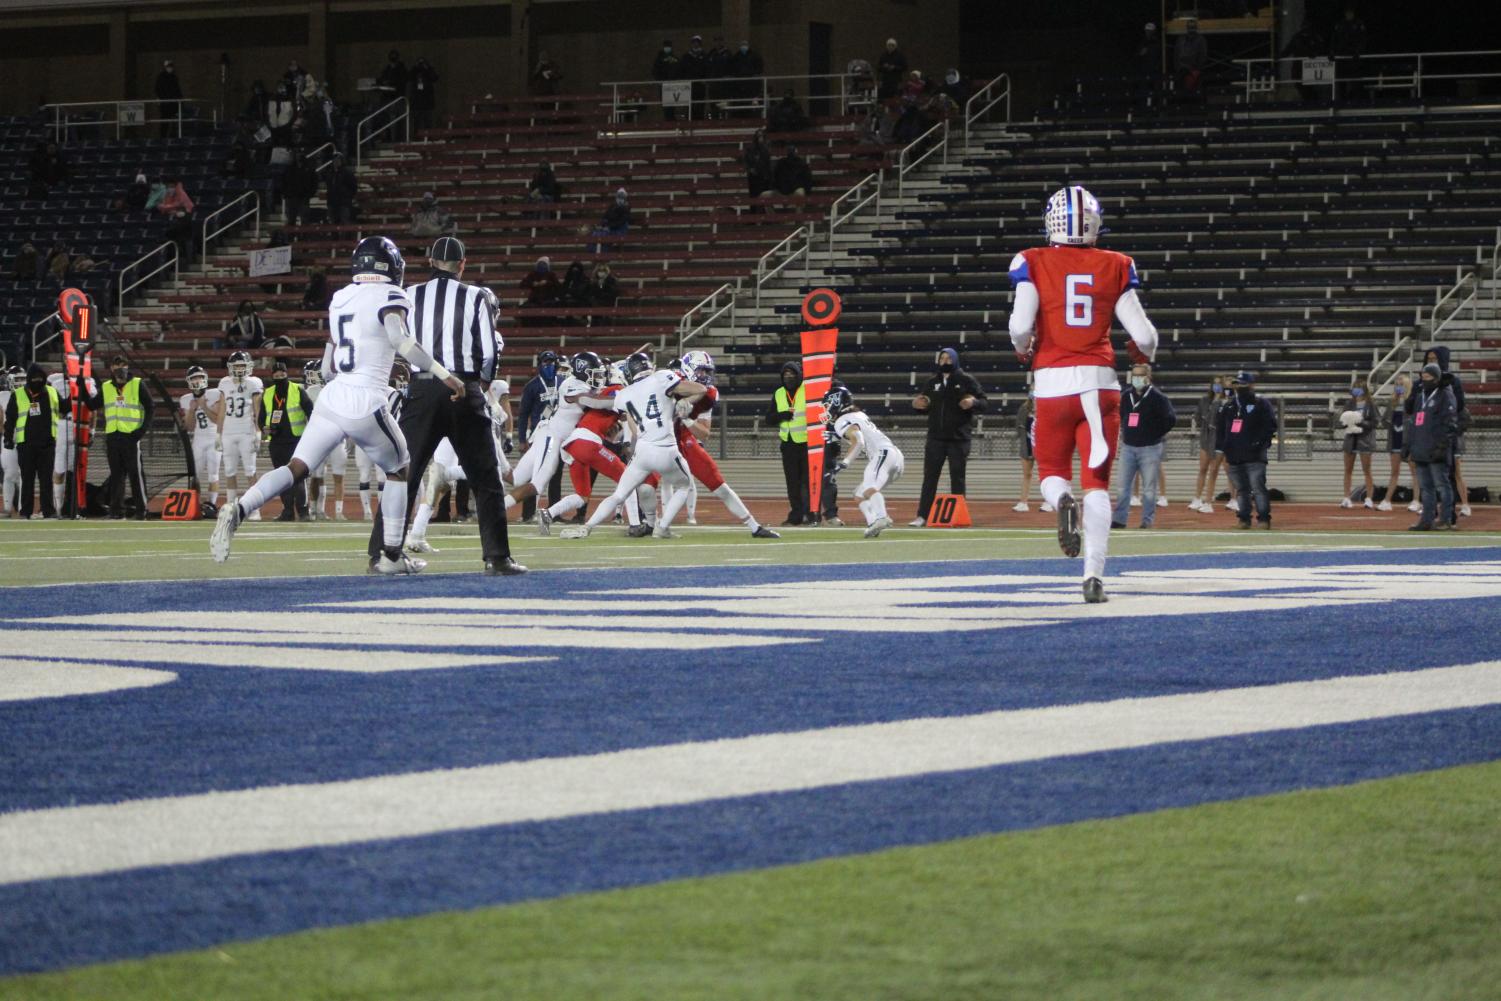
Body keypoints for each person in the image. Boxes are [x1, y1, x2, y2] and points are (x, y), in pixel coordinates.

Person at [214, 236, 466, 574]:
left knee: (296, 468)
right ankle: (391, 556)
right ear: (390, 266)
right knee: (400, 469)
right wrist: (443, 374)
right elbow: (400, 339)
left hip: (334, 397)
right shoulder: (391, 294)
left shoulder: (341, 297)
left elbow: (328, 366)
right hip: (365, 399)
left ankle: (241, 508)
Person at [1008, 185, 1159, 602]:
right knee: (1097, 482)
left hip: (1052, 385)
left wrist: (1024, 350)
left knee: (1051, 474)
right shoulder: (1116, 263)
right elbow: (1145, 335)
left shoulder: (1032, 260)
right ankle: (1094, 577)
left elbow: (1020, 327)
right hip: (1101, 384)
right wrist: (1141, 354)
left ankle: (1060, 502)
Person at [361, 236, 524, 575]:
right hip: (465, 387)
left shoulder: (410, 294)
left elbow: (398, 341)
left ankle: (382, 552)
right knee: (486, 478)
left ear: (430, 262)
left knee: (403, 473)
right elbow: (489, 350)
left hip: (421, 389)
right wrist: (478, 383)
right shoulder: (476, 296)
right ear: (462, 264)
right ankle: (497, 557)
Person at [560, 352, 706, 539]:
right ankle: (662, 528)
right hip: (666, 448)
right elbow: (700, 389)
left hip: (643, 452)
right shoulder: (661, 377)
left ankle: (587, 527)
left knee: (619, 495)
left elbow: (625, 423)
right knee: (685, 486)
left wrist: (578, 398)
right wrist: (685, 401)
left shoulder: (626, 394)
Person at [667, 349, 780, 538]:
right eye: (701, 371)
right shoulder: (669, 382)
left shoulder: (708, 394)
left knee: (717, 482)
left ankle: (754, 526)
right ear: (688, 369)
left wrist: (686, 419)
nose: (705, 376)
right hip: (656, 439)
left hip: (682, 438)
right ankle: (647, 523)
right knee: (643, 482)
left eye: (707, 372)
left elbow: (704, 434)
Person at [539, 353, 655, 536]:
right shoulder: (618, 391)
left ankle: (548, 513)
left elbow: (613, 424)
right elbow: (615, 409)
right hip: (586, 442)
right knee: (628, 478)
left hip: (573, 444)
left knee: (582, 496)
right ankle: (634, 524)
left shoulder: (605, 393)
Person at [505, 346, 596, 523]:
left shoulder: (564, 381)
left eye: (552, 363)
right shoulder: (566, 385)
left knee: (518, 479)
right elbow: (524, 414)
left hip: (550, 433)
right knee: (537, 483)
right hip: (549, 434)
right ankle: (514, 512)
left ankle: (487, 468)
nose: (550, 366)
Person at [910, 347, 987, 528]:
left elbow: (984, 402)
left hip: (959, 438)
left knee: (957, 478)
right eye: (942, 358)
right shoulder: (931, 382)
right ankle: (922, 516)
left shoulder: (966, 380)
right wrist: (917, 406)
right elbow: (925, 404)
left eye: (948, 358)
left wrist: (972, 402)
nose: (944, 362)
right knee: (930, 478)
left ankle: (957, 516)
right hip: (935, 437)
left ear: (955, 360)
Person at [824, 386, 902, 538]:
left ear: (836, 402)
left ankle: (881, 517)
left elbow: (858, 441)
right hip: (893, 457)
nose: (826, 409)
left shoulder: (841, 420)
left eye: (827, 404)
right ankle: (873, 524)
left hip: (883, 454)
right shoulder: (857, 414)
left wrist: (843, 464)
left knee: (869, 489)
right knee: (860, 494)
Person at [1112, 362, 1176, 529]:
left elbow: (1170, 419)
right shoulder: (1126, 396)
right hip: (1128, 447)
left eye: (1140, 375)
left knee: (1149, 489)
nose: (1137, 378)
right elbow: (1121, 416)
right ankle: (1119, 520)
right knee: (1122, 487)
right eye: (1135, 375)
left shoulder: (1158, 398)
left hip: (1150, 448)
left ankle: (1147, 521)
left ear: (1148, 377)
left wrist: (1155, 433)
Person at [90, 356, 154, 520]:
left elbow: (150, 406)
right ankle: (116, 510)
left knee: (135, 475)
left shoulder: (137, 384)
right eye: (117, 365)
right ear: (111, 368)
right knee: (116, 475)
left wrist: (140, 431)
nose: (121, 368)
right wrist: (82, 386)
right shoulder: (106, 387)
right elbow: (92, 405)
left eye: (124, 365)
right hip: (112, 436)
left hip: (131, 437)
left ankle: (141, 510)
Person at [1217, 370, 1277, 530]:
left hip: (1255, 456)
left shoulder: (1261, 404)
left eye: (1243, 384)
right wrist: (1224, 448)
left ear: (1251, 385)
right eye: (1237, 383)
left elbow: (1270, 426)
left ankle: (1264, 519)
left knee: (1258, 488)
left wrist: (1259, 444)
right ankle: (1243, 519)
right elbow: (1221, 430)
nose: (1240, 387)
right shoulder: (1229, 406)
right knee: (1241, 490)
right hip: (1234, 455)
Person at [1405, 362, 1458, 531]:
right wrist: (1409, 445)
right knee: (1425, 487)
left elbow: (1450, 423)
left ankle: (1446, 518)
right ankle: (1426, 519)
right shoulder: (1420, 396)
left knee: (1442, 485)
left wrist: (1442, 446)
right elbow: (1414, 422)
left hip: (1436, 448)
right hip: (1421, 447)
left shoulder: (1445, 395)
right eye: (1422, 377)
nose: (1424, 380)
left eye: (1428, 377)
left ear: (1436, 378)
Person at [259, 359, 313, 520]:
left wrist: (311, 434)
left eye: (282, 373)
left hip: (296, 440)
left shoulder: (297, 390)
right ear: (272, 375)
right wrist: (264, 428)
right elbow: (261, 418)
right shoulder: (268, 393)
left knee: (299, 476)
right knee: (282, 478)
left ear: (286, 373)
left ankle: (303, 511)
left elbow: (311, 412)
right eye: (276, 374)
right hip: (276, 442)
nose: (279, 375)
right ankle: (287, 511)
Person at [3, 364, 59, 519]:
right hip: (26, 444)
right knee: (27, 480)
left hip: (47, 443)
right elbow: (10, 418)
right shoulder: (18, 394)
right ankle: (26, 511)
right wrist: (8, 438)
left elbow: (65, 407)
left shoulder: (52, 392)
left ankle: (48, 510)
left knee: (46, 479)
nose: (37, 382)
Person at [217, 350, 264, 520]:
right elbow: (222, 408)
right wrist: (218, 433)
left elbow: (258, 410)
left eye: (242, 366)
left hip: (246, 431)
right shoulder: (225, 383)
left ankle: (255, 508)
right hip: (228, 432)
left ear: (249, 367)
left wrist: (258, 431)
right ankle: (231, 507)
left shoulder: (254, 383)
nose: (239, 369)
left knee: (250, 471)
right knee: (229, 471)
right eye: (236, 366)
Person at [178, 365, 224, 508]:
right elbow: (189, 426)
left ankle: (211, 504)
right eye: (194, 378)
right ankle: (194, 504)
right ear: (189, 380)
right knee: (195, 475)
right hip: (198, 438)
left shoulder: (215, 394)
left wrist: (203, 406)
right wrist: (191, 411)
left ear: (205, 379)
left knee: (213, 474)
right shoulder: (186, 399)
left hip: (215, 437)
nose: (197, 380)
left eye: (200, 377)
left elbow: (217, 419)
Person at [769, 360, 808, 525]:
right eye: (785, 375)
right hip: (788, 445)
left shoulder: (808, 389)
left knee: (807, 482)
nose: (789, 377)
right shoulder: (778, 393)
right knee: (792, 483)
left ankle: (810, 514)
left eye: (792, 374)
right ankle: (796, 516)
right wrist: (782, 415)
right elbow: (768, 418)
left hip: (807, 443)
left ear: (799, 375)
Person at [1337, 381, 1377, 509]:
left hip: (1365, 440)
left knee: (1367, 470)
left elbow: (1374, 423)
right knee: (1348, 470)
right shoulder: (1349, 404)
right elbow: (1341, 422)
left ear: (1364, 390)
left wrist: (1361, 422)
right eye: (1354, 388)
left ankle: (1369, 498)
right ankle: (1346, 497)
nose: (1356, 391)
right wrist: (1347, 420)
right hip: (1350, 440)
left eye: (1359, 388)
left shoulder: (1370, 405)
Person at [1381, 375, 1416, 513]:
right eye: (1396, 383)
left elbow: (1417, 419)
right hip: (1395, 440)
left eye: (1401, 383)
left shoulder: (1412, 400)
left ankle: (1416, 500)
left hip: (1410, 441)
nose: (1399, 386)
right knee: (1394, 472)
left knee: (1415, 472)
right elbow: (1384, 420)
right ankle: (1387, 500)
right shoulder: (1392, 401)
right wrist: (1391, 425)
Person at [1189, 376, 1224, 512]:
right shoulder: (1204, 400)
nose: (1216, 387)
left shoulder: (1224, 401)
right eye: (1214, 384)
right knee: (1203, 468)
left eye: (1219, 384)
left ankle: (1208, 501)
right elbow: (1198, 417)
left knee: (1213, 470)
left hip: (1218, 438)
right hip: (1206, 437)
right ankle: (1197, 498)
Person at [1013, 391, 1049, 513]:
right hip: (1027, 445)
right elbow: (1019, 426)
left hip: (1043, 446)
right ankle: (1023, 502)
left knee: (1045, 475)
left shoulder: (1047, 407)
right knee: (1027, 474)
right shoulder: (1024, 409)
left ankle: (1048, 501)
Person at [0, 366, 23, 517]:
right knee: (9, 474)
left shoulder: (30, 394)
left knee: (24, 476)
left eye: (23, 379)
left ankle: (23, 509)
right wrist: (7, 434)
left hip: (27, 438)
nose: (21, 382)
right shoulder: (2, 395)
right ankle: (8, 508)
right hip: (8, 438)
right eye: (18, 379)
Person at [519, 257, 562, 325]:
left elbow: (558, 286)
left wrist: (547, 283)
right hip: (535, 300)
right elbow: (522, 284)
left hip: (548, 299)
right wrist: (533, 284)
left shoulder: (551, 275)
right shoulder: (532, 274)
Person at [281, 153, 319, 227]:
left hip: (304, 197)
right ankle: (290, 237)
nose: (298, 157)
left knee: (304, 220)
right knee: (291, 220)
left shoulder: (309, 168)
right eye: (297, 155)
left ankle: (304, 237)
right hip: (291, 197)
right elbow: (283, 182)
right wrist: (285, 194)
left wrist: (310, 194)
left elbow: (314, 182)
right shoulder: (289, 168)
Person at [1176, 19, 1209, 98]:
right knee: (1182, 92)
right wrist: (1178, 68)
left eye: (1193, 26)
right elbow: (1176, 54)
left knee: (1196, 91)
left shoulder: (1201, 39)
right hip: (1182, 69)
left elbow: (1203, 55)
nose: (1191, 28)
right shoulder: (1181, 39)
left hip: (1195, 70)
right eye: (1190, 26)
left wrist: (1197, 69)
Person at [592, 188, 631, 253]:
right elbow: (605, 216)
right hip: (610, 228)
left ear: (625, 199)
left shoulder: (626, 209)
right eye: (619, 197)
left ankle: (605, 251)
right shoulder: (612, 206)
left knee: (605, 235)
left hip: (620, 230)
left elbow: (621, 222)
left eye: (622, 198)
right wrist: (603, 223)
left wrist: (609, 226)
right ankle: (600, 252)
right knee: (596, 234)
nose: (620, 199)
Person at [154, 58, 183, 137]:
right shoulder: (161, 77)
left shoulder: (174, 77)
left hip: (173, 103)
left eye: (171, 66)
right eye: (168, 66)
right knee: (165, 121)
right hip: (165, 103)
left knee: (175, 121)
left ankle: (174, 135)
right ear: (165, 67)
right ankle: (163, 137)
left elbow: (177, 90)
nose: (170, 68)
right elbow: (157, 89)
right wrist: (160, 99)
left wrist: (181, 100)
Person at [652, 40, 681, 120]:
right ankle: (668, 119)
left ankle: (671, 119)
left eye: (668, 46)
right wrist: (660, 81)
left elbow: (679, 70)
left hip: (673, 85)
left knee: (672, 104)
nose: (667, 48)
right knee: (665, 105)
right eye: (666, 46)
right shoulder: (659, 59)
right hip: (663, 85)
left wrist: (676, 80)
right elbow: (655, 71)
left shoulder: (675, 59)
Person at [326, 154, 358, 224]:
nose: (336, 162)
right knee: (333, 224)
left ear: (341, 161)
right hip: (332, 202)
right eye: (334, 160)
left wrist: (347, 196)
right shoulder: (330, 173)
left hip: (344, 203)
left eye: (338, 160)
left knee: (345, 223)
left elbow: (353, 187)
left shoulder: (347, 173)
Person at [742, 129, 774, 200]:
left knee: (766, 198)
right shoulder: (750, 149)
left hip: (765, 177)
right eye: (759, 136)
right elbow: (746, 161)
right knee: (754, 197)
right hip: (754, 177)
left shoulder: (767, 148)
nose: (760, 138)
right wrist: (750, 169)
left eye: (762, 136)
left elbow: (767, 162)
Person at [410, 57, 438, 132]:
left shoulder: (429, 70)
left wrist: (428, 67)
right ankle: (416, 138)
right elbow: (409, 76)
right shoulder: (415, 71)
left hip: (427, 101)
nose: (421, 65)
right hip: (417, 101)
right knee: (417, 122)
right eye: (420, 63)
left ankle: (429, 137)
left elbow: (435, 77)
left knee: (428, 121)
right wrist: (415, 67)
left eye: (423, 63)